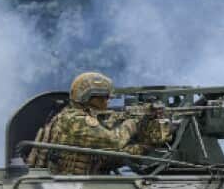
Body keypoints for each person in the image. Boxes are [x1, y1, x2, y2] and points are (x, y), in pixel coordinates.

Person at [27, 71, 172, 174]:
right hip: (67, 187)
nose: (107, 101)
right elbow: (114, 141)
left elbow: (110, 154)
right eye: (103, 97)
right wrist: (133, 122)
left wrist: (144, 147)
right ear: (88, 98)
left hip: (73, 184)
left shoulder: (74, 115)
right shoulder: (75, 121)